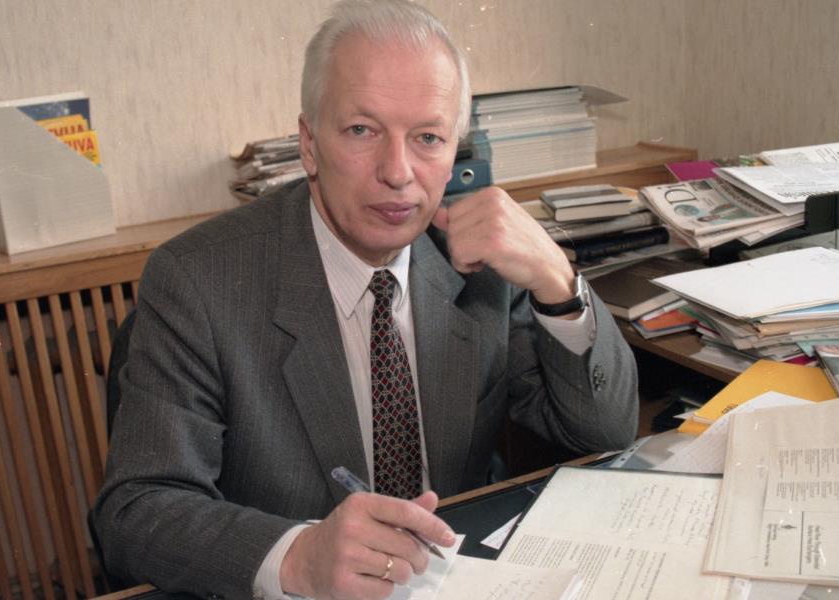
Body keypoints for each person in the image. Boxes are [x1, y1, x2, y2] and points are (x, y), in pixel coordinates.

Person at [92, 1, 638, 598]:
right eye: (362, 131)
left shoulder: (480, 263)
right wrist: (297, 557)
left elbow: (604, 434)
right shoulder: (201, 280)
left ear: (454, 153)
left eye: (427, 138)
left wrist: (556, 279)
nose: (398, 172)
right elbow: (136, 511)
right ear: (309, 143)